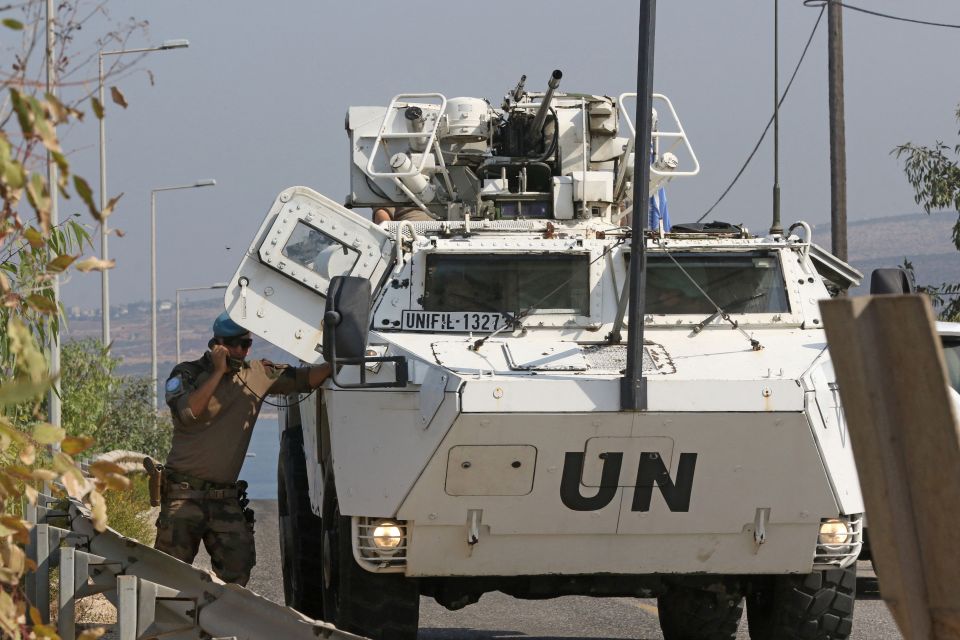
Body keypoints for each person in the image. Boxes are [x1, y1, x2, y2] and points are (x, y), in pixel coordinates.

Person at [155, 311, 331, 585]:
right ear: (217, 344)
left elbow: (306, 379)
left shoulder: (257, 374)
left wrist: (340, 362)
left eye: (245, 344)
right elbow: (189, 412)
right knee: (168, 575)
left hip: (224, 496)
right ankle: (171, 625)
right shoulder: (187, 374)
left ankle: (217, 624)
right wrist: (217, 372)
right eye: (233, 344)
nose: (239, 350)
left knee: (237, 572)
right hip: (184, 494)